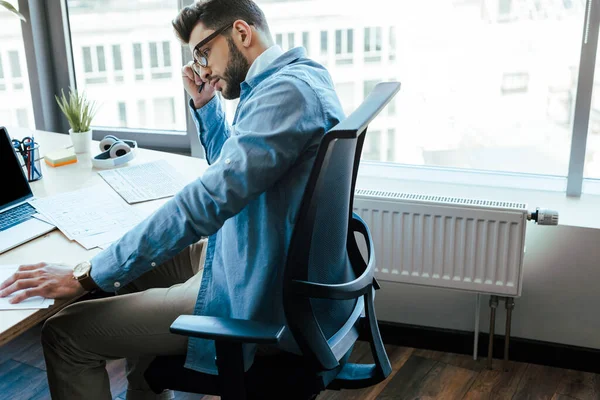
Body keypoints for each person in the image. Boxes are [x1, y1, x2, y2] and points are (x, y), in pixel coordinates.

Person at [0, 0, 346, 398]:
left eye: (203, 53)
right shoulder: (296, 79)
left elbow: (207, 200)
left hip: (253, 291)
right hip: (249, 259)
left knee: (64, 333)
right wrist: (205, 105)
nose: (203, 69)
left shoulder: (285, 95)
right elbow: (231, 170)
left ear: (242, 33)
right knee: (123, 274)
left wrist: (85, 274)